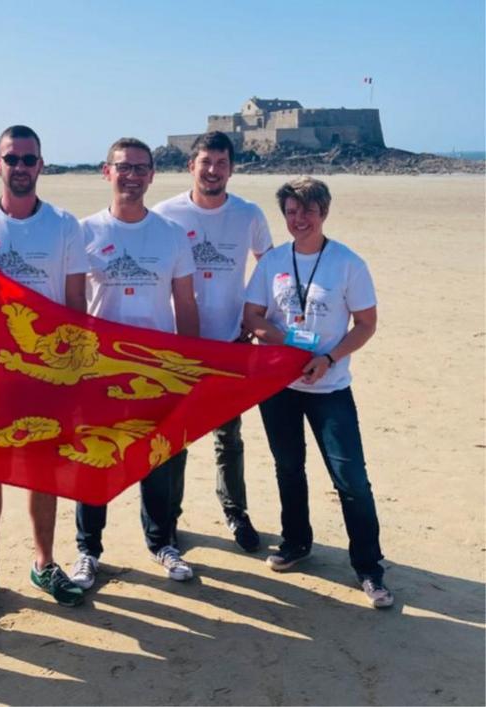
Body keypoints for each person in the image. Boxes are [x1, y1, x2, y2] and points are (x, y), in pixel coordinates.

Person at [0, 125, 87, 619]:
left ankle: (45, 562)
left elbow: (76, 305)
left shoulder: (64, 226)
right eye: (12, 158)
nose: (21, 167)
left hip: (47, 374)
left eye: (29, 159)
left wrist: (74, 372)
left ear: (41, 165)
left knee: (44, 473)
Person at [243, 176, 394, 609]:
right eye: (291, 212)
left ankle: (368, 566)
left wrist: (327, 359)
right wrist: (283, 343)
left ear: (323, 212)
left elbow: (366, 324)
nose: (299, 219)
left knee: (351, 479)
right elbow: (253, 314)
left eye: (308, 210)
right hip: (280, 386)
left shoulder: (347, 263)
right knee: (288, 468)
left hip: (329, 386)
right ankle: (296, 542)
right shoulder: (273, 261)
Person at [70, 137, 200, 591]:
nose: (131, 175)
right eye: (123, 167)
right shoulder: (82, 232)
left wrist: (192, 367)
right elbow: (66, 304)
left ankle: (162, 541)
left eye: (140, 168)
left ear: (152, 175)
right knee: (94, 459)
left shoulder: (170, 234)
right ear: (107, 172)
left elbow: (185, 303)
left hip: (158, 369)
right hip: (98, 370)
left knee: (158, 458)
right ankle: (88, 549)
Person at [152, 131, 273, 553]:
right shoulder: (166, 214)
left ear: (231, 168)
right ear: (191, 166)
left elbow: (269, 268)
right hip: (178, 347)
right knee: (175, 440)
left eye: (221, 163)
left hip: (230, 343)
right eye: (206, 162)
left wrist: (254, 319)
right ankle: (167, 520)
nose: (213, 170)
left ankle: (235, 511)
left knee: (229, 437)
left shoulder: (248, 214)